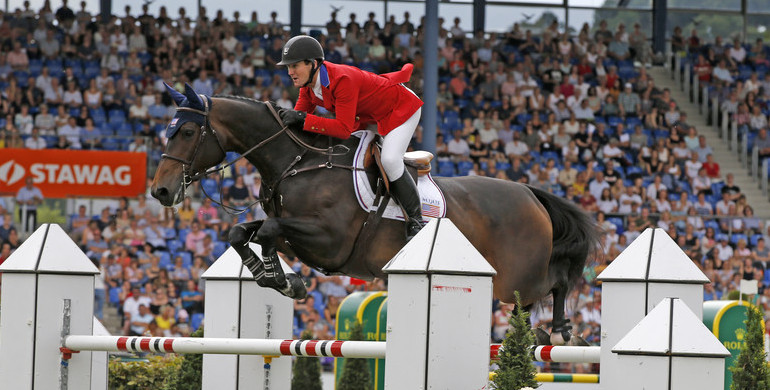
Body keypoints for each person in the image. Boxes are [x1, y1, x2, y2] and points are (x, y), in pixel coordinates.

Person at [276, 35, 424, 241]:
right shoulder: (307, 87)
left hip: (399, 109)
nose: (290, 72)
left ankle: (416, 221)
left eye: (294, 66)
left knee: (390, 160)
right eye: (288, 67)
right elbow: (297, 124)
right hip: (368, 116)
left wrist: (303, 119)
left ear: (313, 63)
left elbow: (343, 129)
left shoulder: (342, 79)